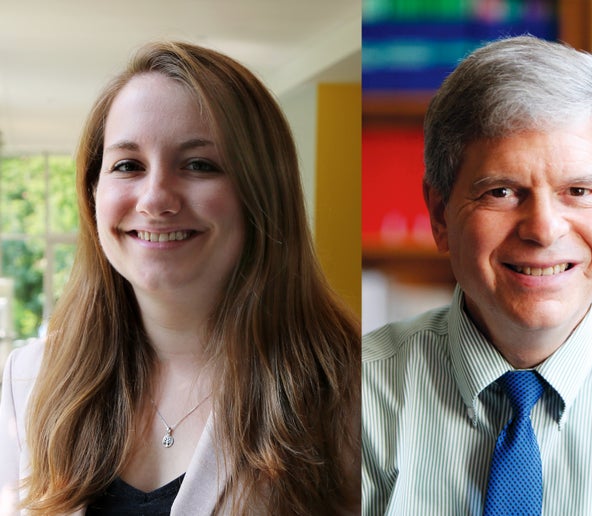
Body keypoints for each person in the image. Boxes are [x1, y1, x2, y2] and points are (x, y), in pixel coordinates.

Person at [362, 35, 592, 515]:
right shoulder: (341, 399)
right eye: (502, 192)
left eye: (577, 190)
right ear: (440, 213)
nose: (544, 230)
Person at [0, 41, 360, 515]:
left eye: (198, 165)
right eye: (128, 165)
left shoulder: (356, 392)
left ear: (263, 192)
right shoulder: (27, 382)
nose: (155, 199)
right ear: (92, 194)